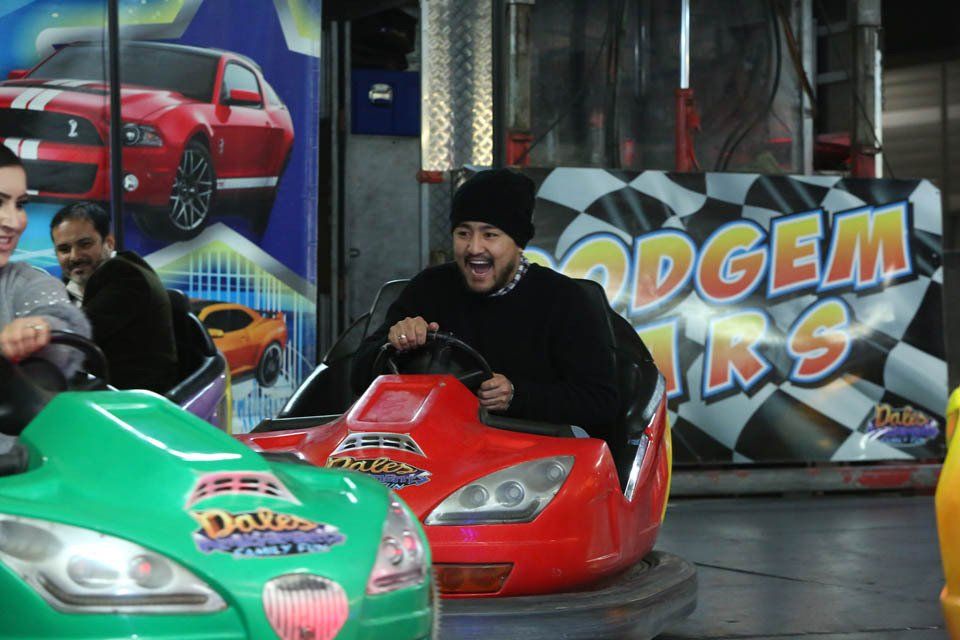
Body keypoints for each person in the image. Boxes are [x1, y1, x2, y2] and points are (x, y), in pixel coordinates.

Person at [351, 168, 618, 434]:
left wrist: (517, 396)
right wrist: (392, 343)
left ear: (518, 242)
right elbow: (357, 376)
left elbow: (602, 401)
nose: (474, 248)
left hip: (529, 456)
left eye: (490, 235)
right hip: (437, 446)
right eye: (463, 233)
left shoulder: (564, 300)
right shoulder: (428, 288)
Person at [50, 202, 177, 393]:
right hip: (99, 396)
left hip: (136, 406)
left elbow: (78, 331)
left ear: (108, 243)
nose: (74, 256)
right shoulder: (74, 282)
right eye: (64, 249)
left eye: (85, 244)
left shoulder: (126, 275)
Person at [0, 146, 90, 374]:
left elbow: (60, 321)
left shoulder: (27, 282)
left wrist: (39, 329)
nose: (14, 221)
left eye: (20, 204)